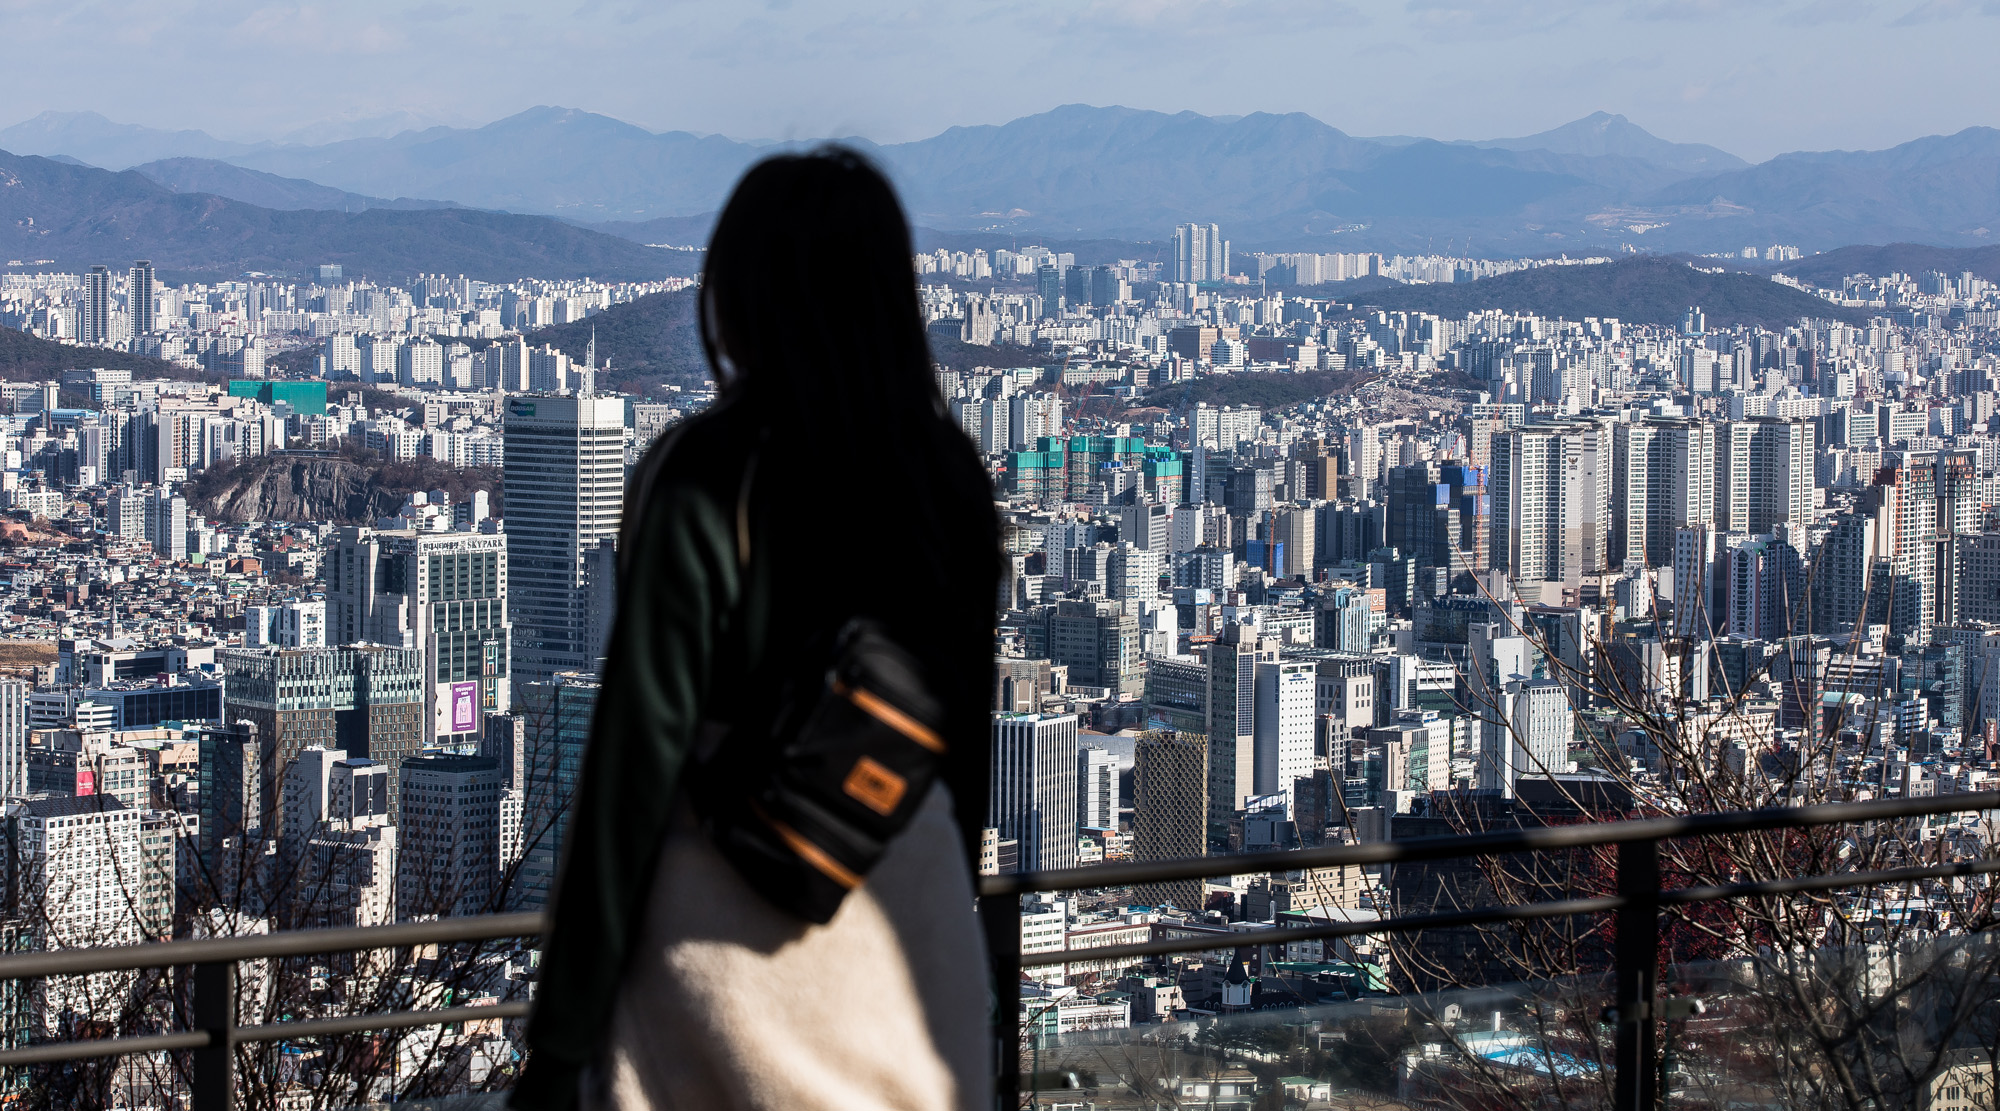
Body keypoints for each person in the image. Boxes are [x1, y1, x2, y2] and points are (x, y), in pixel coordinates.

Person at [510, 148, 1000, 1111]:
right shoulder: (948, 474)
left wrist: (561, 1037)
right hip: (916, 926)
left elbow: (631, 765)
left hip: (722, 940)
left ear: (736, 296)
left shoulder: (704, 474)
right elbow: (966, 749)